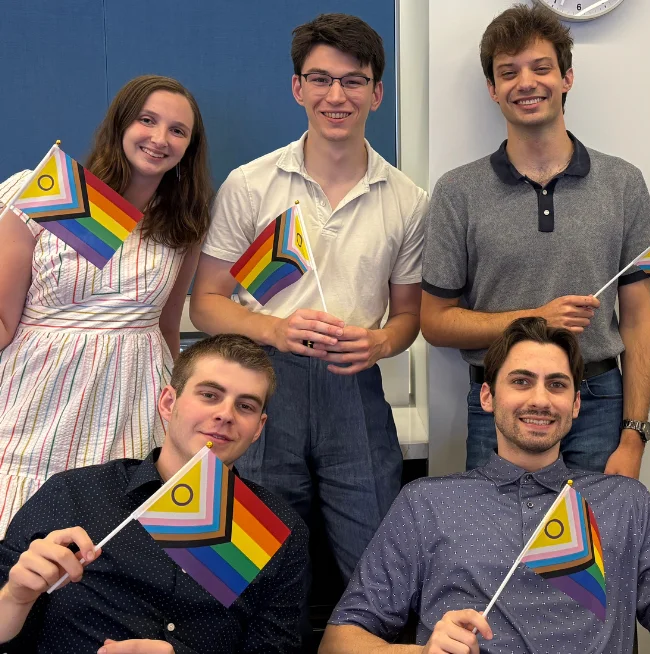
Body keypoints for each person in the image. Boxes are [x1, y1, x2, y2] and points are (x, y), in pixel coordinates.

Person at [189, 13, 427, 589]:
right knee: (250, 565)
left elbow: (408, 318)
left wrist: (380, 342)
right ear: (298, 88)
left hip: (355, 388)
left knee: (378, 565)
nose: (335, 96)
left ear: (377, 92)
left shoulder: (408, 200)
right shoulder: (250, 185)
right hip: (263, 385)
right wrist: (274, 330)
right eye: (320, 79)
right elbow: (205, 304)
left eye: (353, 81)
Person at [321, 317, 650, 654]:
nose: (540, 400)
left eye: (556, 385)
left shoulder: (626, 502)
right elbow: (338, 641)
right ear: (488, 396)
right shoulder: (424, 503)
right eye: (521, 381)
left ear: (575, 404)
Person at [420, 4, 650, 479]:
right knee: (498, 529)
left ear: (567, 78)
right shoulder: (457, 191)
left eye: (541, 68)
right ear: (492, 89)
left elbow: (638, 320)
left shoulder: (623, 183)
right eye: (508, 72)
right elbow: (435, 322)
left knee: (596, 527)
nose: (525, 83)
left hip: (597, 402)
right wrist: (535, 319)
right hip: (499, 403)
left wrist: (634, 435)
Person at [0, 75, 214, 537]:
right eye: (147, 120)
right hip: (39, 395)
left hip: (134, 397)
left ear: (189, 147)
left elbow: (168, 327)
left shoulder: (183, 226)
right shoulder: (50, 193)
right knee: (20, 535)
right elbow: (2, 319)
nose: (160, 138)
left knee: (115, 535)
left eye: (177, 130)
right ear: (121, 124)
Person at [0, 333, 308, 653]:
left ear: (258, 427)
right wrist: (14, 598)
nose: (226, 414)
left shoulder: (279, 529)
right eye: (209, 395)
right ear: (168, 403)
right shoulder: (71, 494)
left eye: (245, 406)